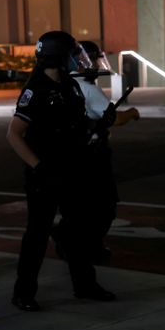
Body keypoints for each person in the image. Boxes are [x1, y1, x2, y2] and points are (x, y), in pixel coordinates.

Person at [6, 31, 116, 312]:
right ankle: (24, 292)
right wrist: (39, 168)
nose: (76, 59)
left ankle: (85, 285)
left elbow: (74, 127)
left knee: (76, 230)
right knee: (38, 233)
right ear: (58, 57)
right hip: (45, 174)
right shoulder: (37, 89)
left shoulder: (70, 85)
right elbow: (14, 134)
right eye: (71, 54)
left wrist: (99, 125)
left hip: (71, 170)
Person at [52, 40, 140, 264]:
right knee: (103, 206)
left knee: (79, 205)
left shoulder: (66, 85)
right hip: (93, 156)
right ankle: (87, 246)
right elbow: (115, 119)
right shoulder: (88, 89)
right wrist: (131, 112)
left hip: (70, 155)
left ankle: (70, 239)